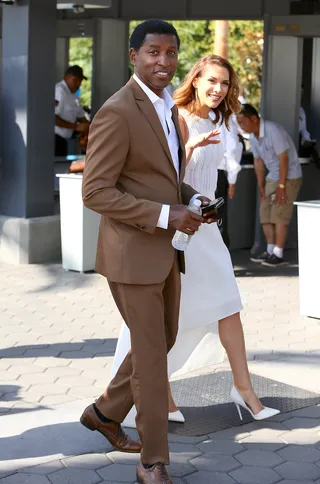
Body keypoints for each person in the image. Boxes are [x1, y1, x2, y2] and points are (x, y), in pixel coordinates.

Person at [112, 55, 280, 428]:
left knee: (228, 306)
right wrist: (188, 149)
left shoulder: (219, 119)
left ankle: (242, 388)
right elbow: (162, 178)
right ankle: (159, 394)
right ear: (196, 79)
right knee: (168, 315)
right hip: (179, 228)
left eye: (225, 83)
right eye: (212, 81)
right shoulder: (178, 118)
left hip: (207, 227)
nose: (218, 89)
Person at [80, 20, 216, 484]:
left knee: (163, 336)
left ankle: (104, 412)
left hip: (165, 251)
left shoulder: (166, 108)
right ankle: (153, 460)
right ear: (134, 56)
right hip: (132, 254)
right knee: (153, 356)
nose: (164, 62)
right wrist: (165, 215)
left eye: (171, 53)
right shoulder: (117, 111)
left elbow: (160, 178)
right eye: (153, 52)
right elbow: (95, 191)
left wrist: (193, 200)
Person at [237, 104, 303, 267]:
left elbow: (284, 159)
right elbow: (258, 162)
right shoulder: (253, 135)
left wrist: (281, 187)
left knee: (279, 215)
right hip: (272, 177)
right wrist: (261, 186)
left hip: (289, 177)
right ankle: (270, 250)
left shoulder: (274, 131)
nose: (241, 126)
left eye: (242, 122)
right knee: (265, 214)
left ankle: (278, 254)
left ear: (254, 118)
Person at [216, 115, 243, 247]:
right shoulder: (224, 119)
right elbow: (232, 150)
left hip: (190, 173)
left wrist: (232, 179)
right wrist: (232, 180)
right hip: (215, 174)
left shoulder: (187, 113)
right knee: (217, 220)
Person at [55, 65, 90, 156]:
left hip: (65, 140)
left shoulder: (75, 96)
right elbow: (52, 118)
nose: (78, 84)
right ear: (66, 77)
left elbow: (81, 117)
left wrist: (90, 128)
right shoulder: (59, 91)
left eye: (80, 81)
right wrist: (75, 127)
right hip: (54, 139)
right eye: (75, 80)